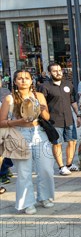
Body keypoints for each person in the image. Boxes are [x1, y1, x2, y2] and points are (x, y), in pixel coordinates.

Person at [0, 70, 55, 214]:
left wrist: (42, 111)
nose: (23, 81)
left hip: (39, 133)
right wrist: (19, 121)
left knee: (46, 168)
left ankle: (45, 196)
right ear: (15, 81)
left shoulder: (39, 96)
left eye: (26, 78)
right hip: (19, 134)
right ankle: (27, 202)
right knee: (24, 172)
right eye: (20, 78)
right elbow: (1, 122)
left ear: (32, 81)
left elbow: (47, 118)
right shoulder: (9, 99)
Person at [38, 63, 81, 176]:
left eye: (59, 70)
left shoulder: (68, 84)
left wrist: (78, 115)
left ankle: (69, 164)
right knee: (57, 143)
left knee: (72, 142)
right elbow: (41, 104)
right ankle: (61, 166)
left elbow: (73, 101)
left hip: (69, 118)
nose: (58, 72)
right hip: (54, 120)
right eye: (54, 71)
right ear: (49, 73)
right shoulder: (45, 86)